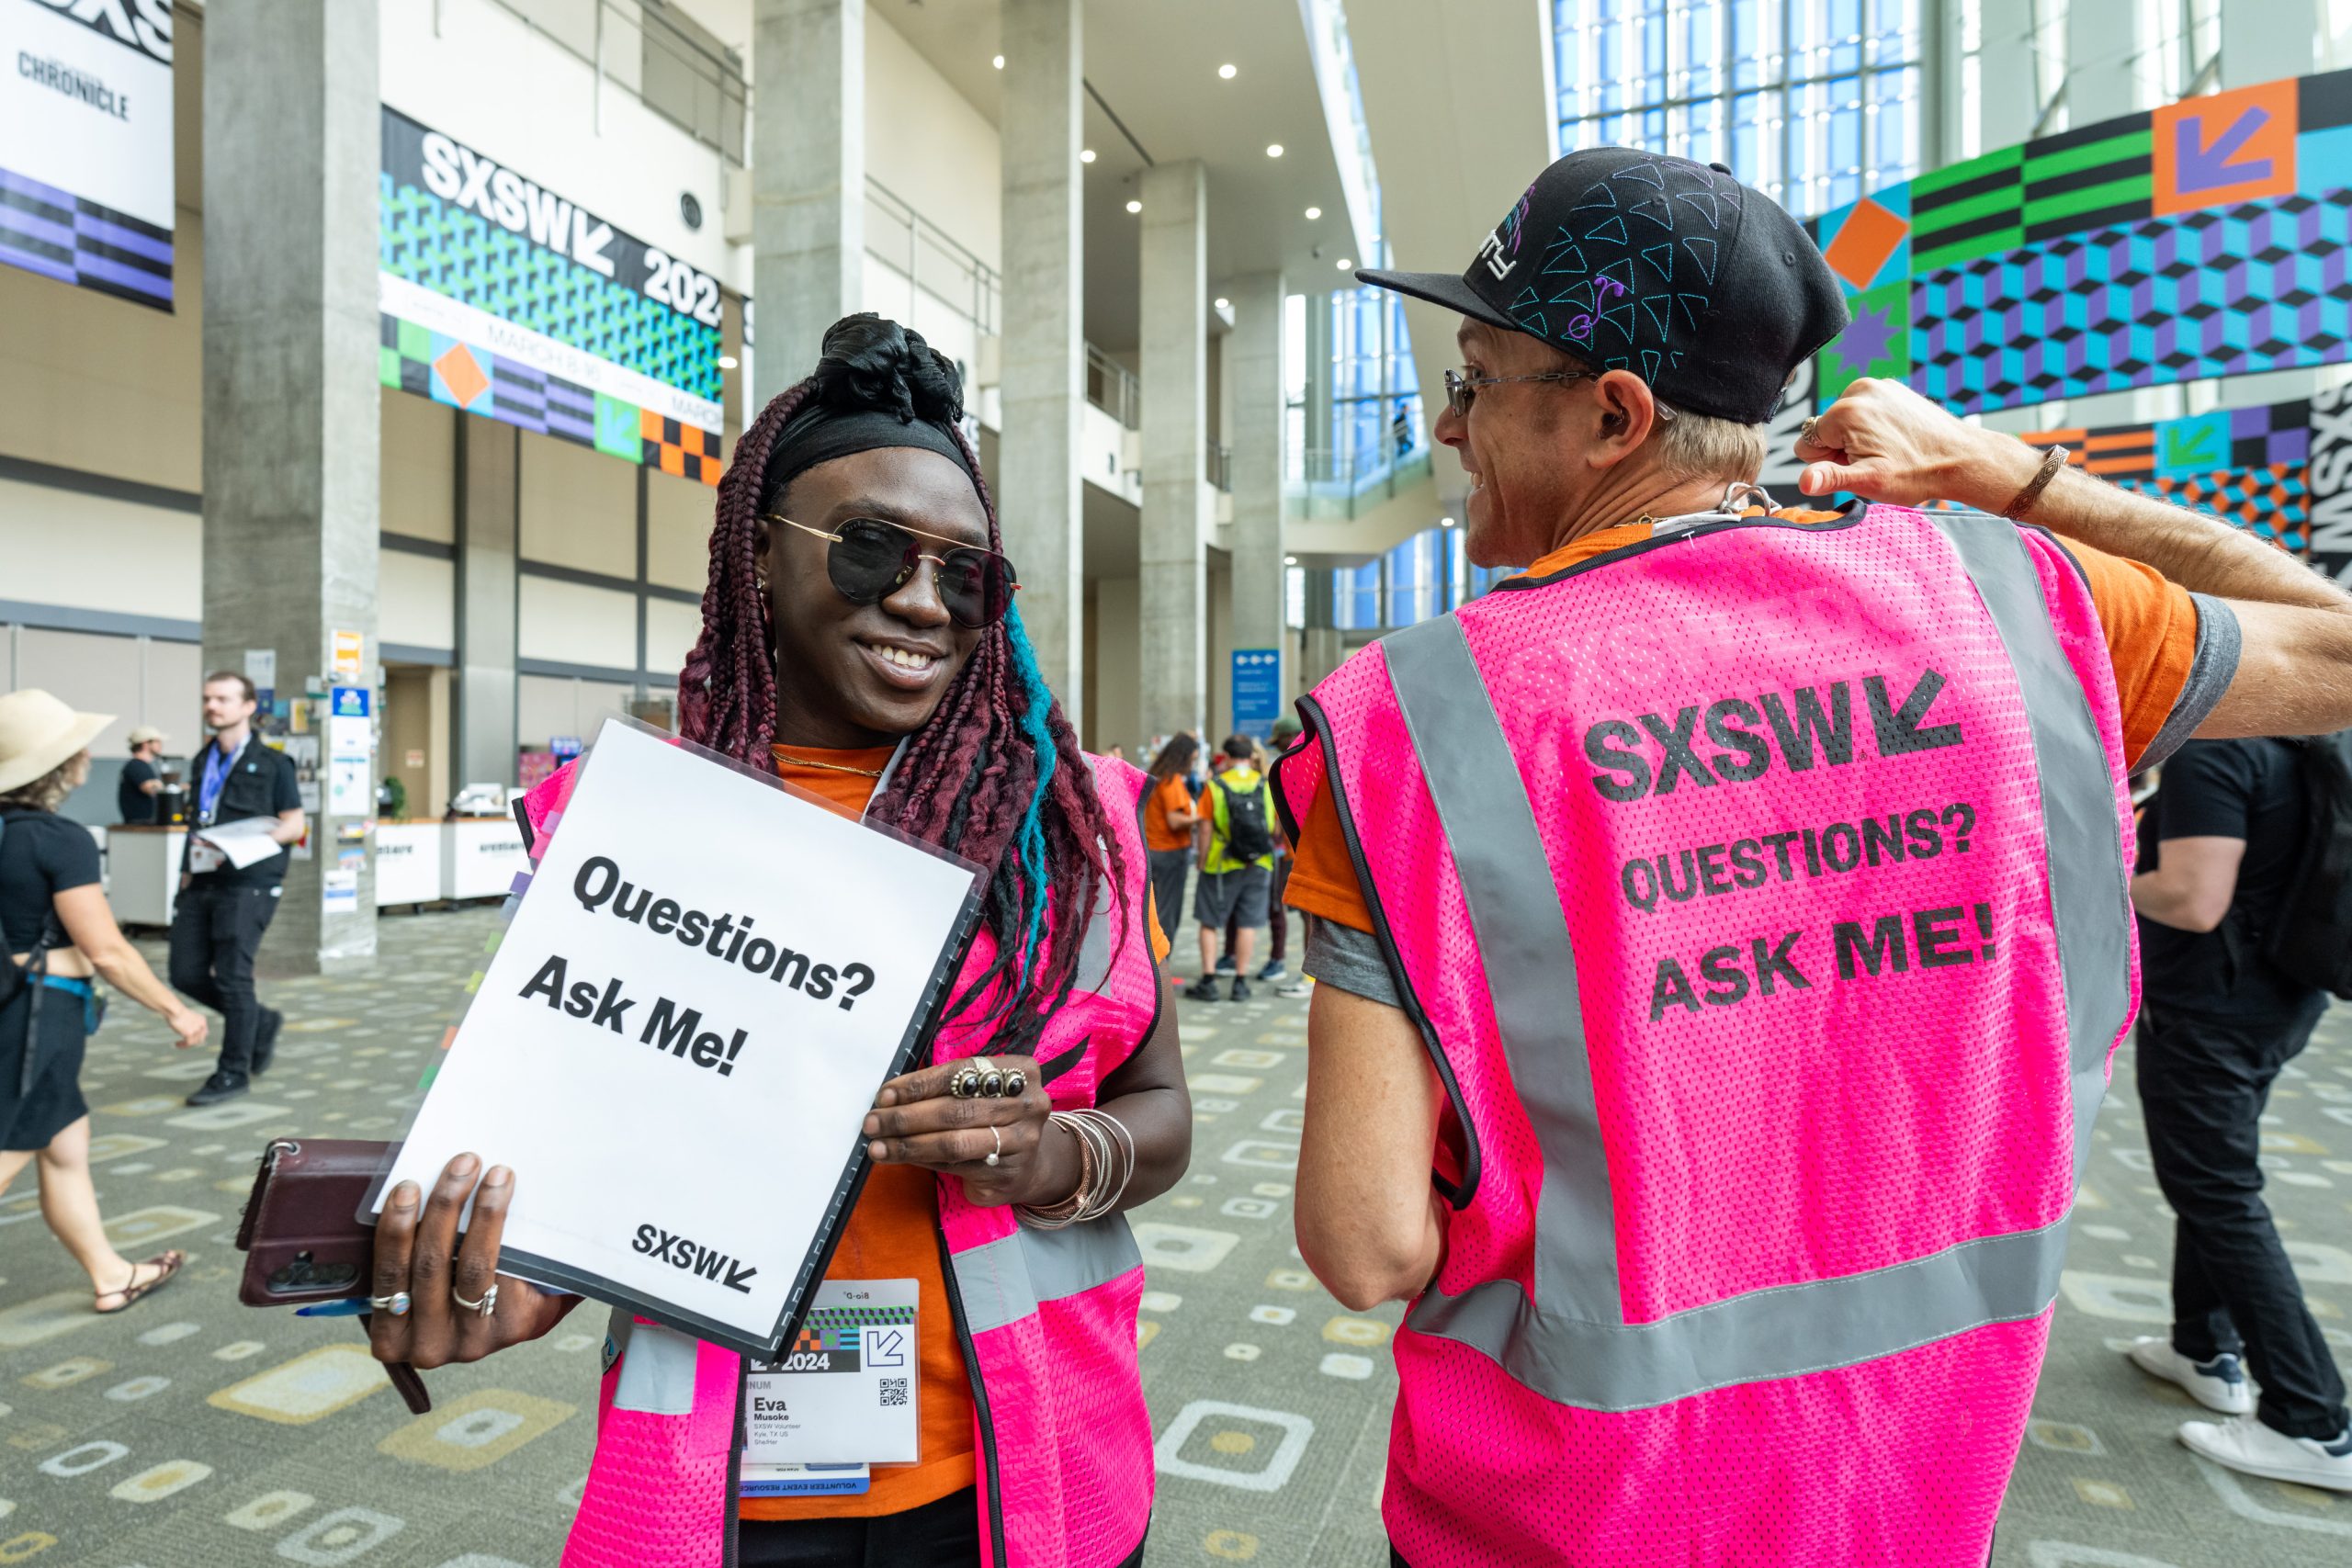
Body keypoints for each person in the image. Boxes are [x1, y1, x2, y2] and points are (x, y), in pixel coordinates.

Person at [1273, 147, 2352, 1566]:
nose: (1449, 424)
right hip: (1909, 1498)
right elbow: (2337, 646)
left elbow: (1365, 1241)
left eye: (1476, 381)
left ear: (1615, 415)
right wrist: (2018, 479)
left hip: (1551, 1518)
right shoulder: (2014, 609)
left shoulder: (1419, 717)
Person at [366, 315, 1191, 1568]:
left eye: (967, 574)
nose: (921, 600)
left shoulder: (1074, 835)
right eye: (869, 549)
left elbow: (1160, 1106)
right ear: (758, 549)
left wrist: (1052, 1153)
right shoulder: (629, 834)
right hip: (728, 1484)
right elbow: (569, 1142)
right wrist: (502, 1274)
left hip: (1032, 1468)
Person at [2123, 737, 2351, 1488]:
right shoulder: (2314, 739)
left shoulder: (2216, 752)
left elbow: (2192, 899)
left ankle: (2310, 1419)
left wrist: (2110, 872)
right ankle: (2204, 1347)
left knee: (2217, 1190)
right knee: (2214, 1176)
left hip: (2208, 1010)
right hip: (2285, 993)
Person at [1, 690, 209, 1312]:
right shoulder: (59, 839)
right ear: (57, 766)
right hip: (42, 1011)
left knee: (65, 1145)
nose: (88, 755)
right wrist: (175, 1008)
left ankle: (110, 1273)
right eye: (78, 747)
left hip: (12, 1005)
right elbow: (108, 951)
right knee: (12, 1145)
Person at [171, 672, 304, 1106]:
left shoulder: (274, 764)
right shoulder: (202, 759)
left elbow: (294, 825)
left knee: (232, 978)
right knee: (184, 973)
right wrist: (184, 878)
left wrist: (247, 847)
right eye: (207, 698)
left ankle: (233, 1073)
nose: (212, 706)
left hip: (249, 882)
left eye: (223, 699)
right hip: (201, 878)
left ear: (248, 707)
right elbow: (199, 822)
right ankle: (259, 1021)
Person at [1188, 736, 1279, 1003]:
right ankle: (1240, 983)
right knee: (1247, 924)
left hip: (1220, 864)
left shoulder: (1215, 786)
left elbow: (1205, 828)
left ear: (1226, 757)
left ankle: (1208, 980)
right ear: (1251, 756)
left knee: (1209, 921)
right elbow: (1274, 826)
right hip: (1259, 862)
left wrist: (1202, 860)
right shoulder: (1265, 784)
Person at [1143, 732, 1203, 952]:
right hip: (1170, 852)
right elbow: (1175, 820)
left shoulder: (1159, 776)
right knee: (1168, 912)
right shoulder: (1172, 781)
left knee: (1153, 910)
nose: (1192, 765)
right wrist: (1201, 816)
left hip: (1153, 850)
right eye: (1192, 759)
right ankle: (1162, 962)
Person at [118, 727, 165, 825]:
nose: (161, 744)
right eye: (157, 741)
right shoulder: (137, 766)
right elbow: (150, 789)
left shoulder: (139, 765)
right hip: (141, 825)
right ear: (145, 744)